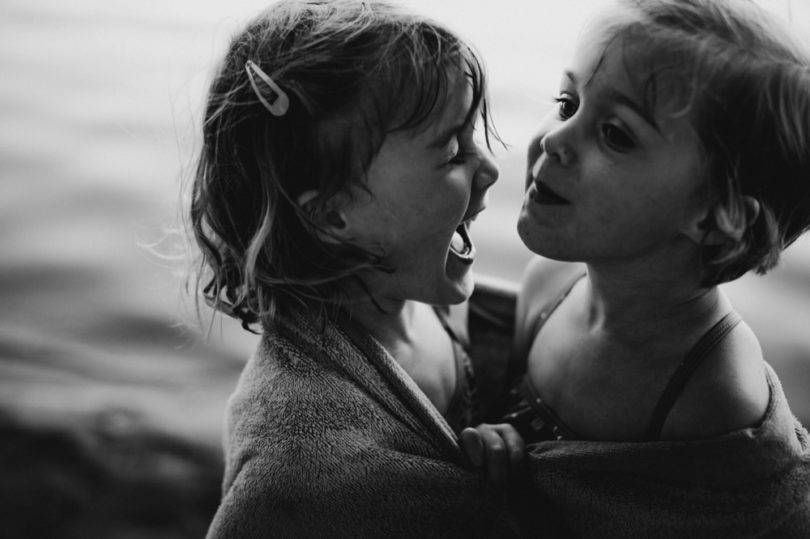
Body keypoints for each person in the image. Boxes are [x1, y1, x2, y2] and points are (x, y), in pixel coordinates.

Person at [461, 0, 810, 535]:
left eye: (616, 135)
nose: (555, 139)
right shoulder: (551, 283)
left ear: (717, 216)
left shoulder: (714, 396)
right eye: (566, 101)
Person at [188, 0, 518, 536]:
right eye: (454, 152)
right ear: (333, 215)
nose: (490, 169)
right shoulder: (297, 465)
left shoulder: (418, 296)